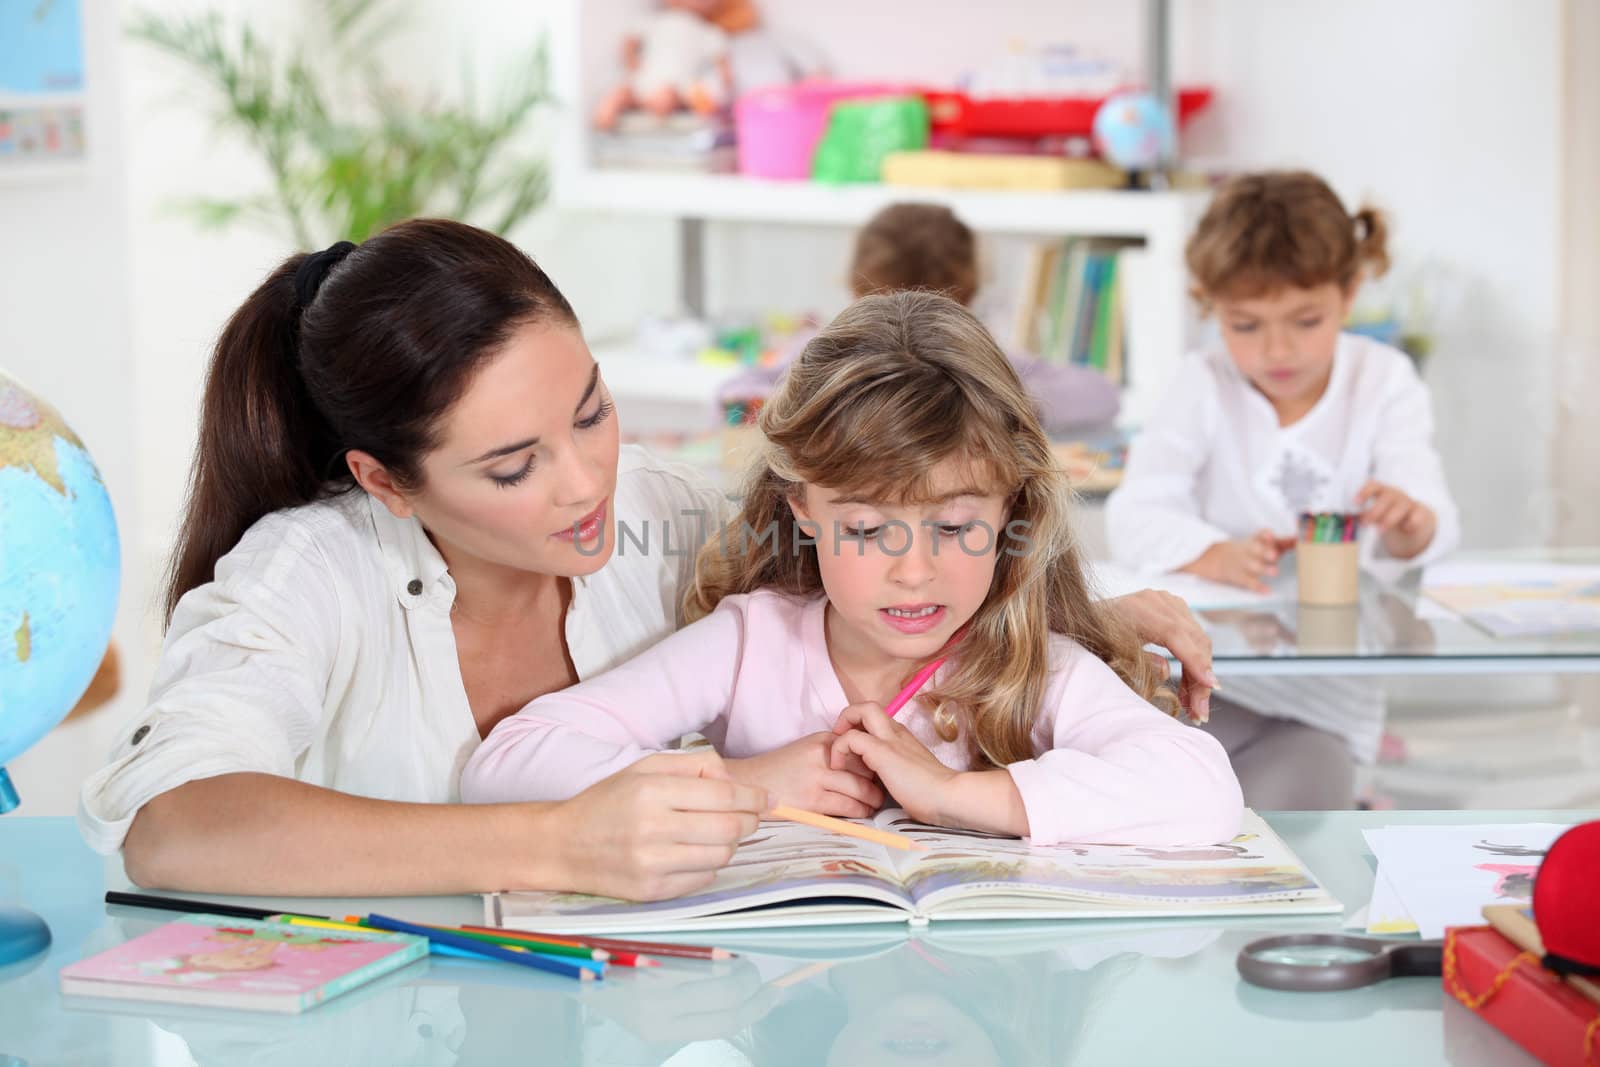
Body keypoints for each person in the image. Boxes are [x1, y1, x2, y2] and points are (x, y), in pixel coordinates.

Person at [79, 219, 1219, 898]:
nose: (587, 483)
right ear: (386, 478)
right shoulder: (308, 574)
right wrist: (563, 839)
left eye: (592, 410)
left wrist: (1085, 603)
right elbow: (177, 824)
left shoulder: (661, 517)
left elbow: (880, 518)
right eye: (516, 463)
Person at [462, 292, 1242, 846]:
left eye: (956, 524)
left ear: (1011, 510)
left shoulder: (1032, 664)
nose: (915, 572)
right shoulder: (748, 643)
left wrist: (955, 794)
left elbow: (1204, 790)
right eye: (867, 528)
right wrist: (745, 785)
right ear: (804, 509)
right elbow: (505, 765)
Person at [1105, 171, 1460, 809]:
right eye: (1245, 325)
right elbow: (1133, 516)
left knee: (1285, 813)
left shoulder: (1384, 381)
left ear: (1349, 294)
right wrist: (1217, 554)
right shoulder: (1202, 381)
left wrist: (1413, 524)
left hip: (1326, 701)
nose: (1277, 349)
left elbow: (1430, 515)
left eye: (1304, 320)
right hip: (1203, 683)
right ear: (1210, 306)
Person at [719, 201, 1122, 435]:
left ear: (855, 286)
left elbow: (730, 398)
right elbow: (1101, 393)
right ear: (970, 290)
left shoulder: (821, 356)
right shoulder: (984, 363)